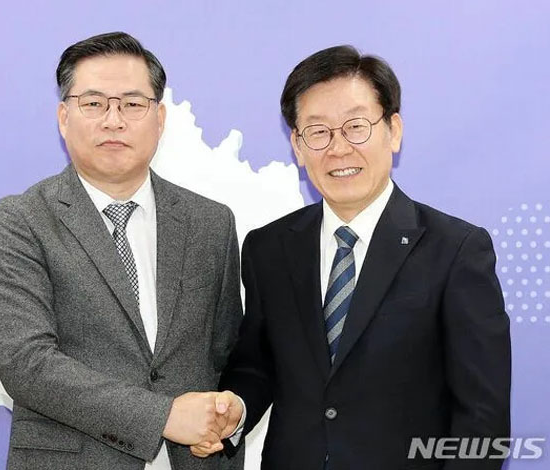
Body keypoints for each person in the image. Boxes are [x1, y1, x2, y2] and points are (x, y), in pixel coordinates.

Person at [198, 45, 511, 469]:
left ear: (393, 130)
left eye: (356, 127)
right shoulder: (268, 248)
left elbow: (483, 419)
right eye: (318, 132)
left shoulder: (456, 250)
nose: (339, 148)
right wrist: (235, 409)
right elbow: (259, 364)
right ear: (297, 146)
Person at [0, 32, 244, 470]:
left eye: (133, 104)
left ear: (160, 118)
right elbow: (27, 364)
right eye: (94, 103)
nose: (113, 120)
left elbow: (227, 353)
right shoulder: (20, 221)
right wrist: (163, 417)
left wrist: (230, 410)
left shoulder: (211, 223)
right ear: (64, 117)